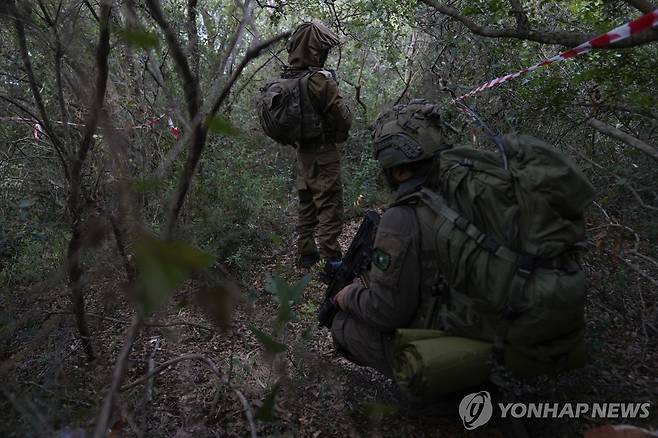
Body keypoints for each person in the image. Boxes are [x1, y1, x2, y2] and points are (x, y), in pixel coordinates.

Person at [330, 100, 451, 377]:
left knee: (340, 323)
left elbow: (387, 312)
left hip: (447, 340)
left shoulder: (401, 217)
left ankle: (427, 393)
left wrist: (349, 296)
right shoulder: (455, 191)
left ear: (398, 170)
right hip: (485, 324)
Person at [284, 21, 352, 268]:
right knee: (329, 204)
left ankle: (306, 254)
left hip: (303, 153)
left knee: (306, 204)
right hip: (324, 152)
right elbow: (343, 117)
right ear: (316, 50)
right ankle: (331, 262)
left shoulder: (289, 79)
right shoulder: (319, 81)